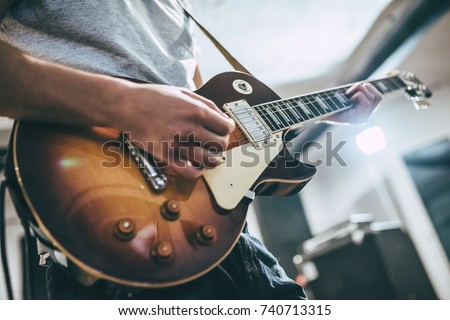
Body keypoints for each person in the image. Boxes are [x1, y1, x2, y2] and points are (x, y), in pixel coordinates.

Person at [0, 0, 382, 299]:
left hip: (220, 230)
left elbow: (218, 127)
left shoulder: (180, 6)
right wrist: (127, 105)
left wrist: (321, 116)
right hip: (108, 229)